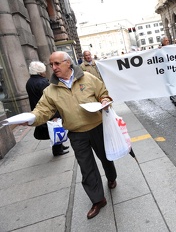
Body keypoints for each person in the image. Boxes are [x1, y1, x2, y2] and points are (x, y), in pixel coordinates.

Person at [28, 51, 117, 219]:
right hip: (76, 134)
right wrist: (32, 118)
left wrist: (105, 100)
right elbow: (42, 110)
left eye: (57, 63)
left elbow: (103, 93)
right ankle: (98, 200)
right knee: (86, 167)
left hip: (97, 127)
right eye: (51, 64)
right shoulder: (50, 90)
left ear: (68, 63)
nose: (53, 68)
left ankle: (112, 177)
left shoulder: (88, 78)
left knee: (106, 158)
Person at [25, 61, 69, 156]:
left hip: (38, 107)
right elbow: (51, 99)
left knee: (54, 128)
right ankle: (58, 150)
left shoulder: (30, 82)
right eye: (44, 70)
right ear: (40, 72)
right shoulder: (42, 82)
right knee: (54, 128)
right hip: (47, 109)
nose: (45, 72)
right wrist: (56, 114)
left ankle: (60, 145)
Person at [161, 36, 176, 106]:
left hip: (173, 70)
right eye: (166, 40)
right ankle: (173, 97)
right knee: (169, 84)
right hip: (165, 71)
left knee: (173, 84)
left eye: (168, 40)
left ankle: (174, 98)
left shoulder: (171, 48)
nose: (167, 41)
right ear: (162, 42)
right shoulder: (159, 49)